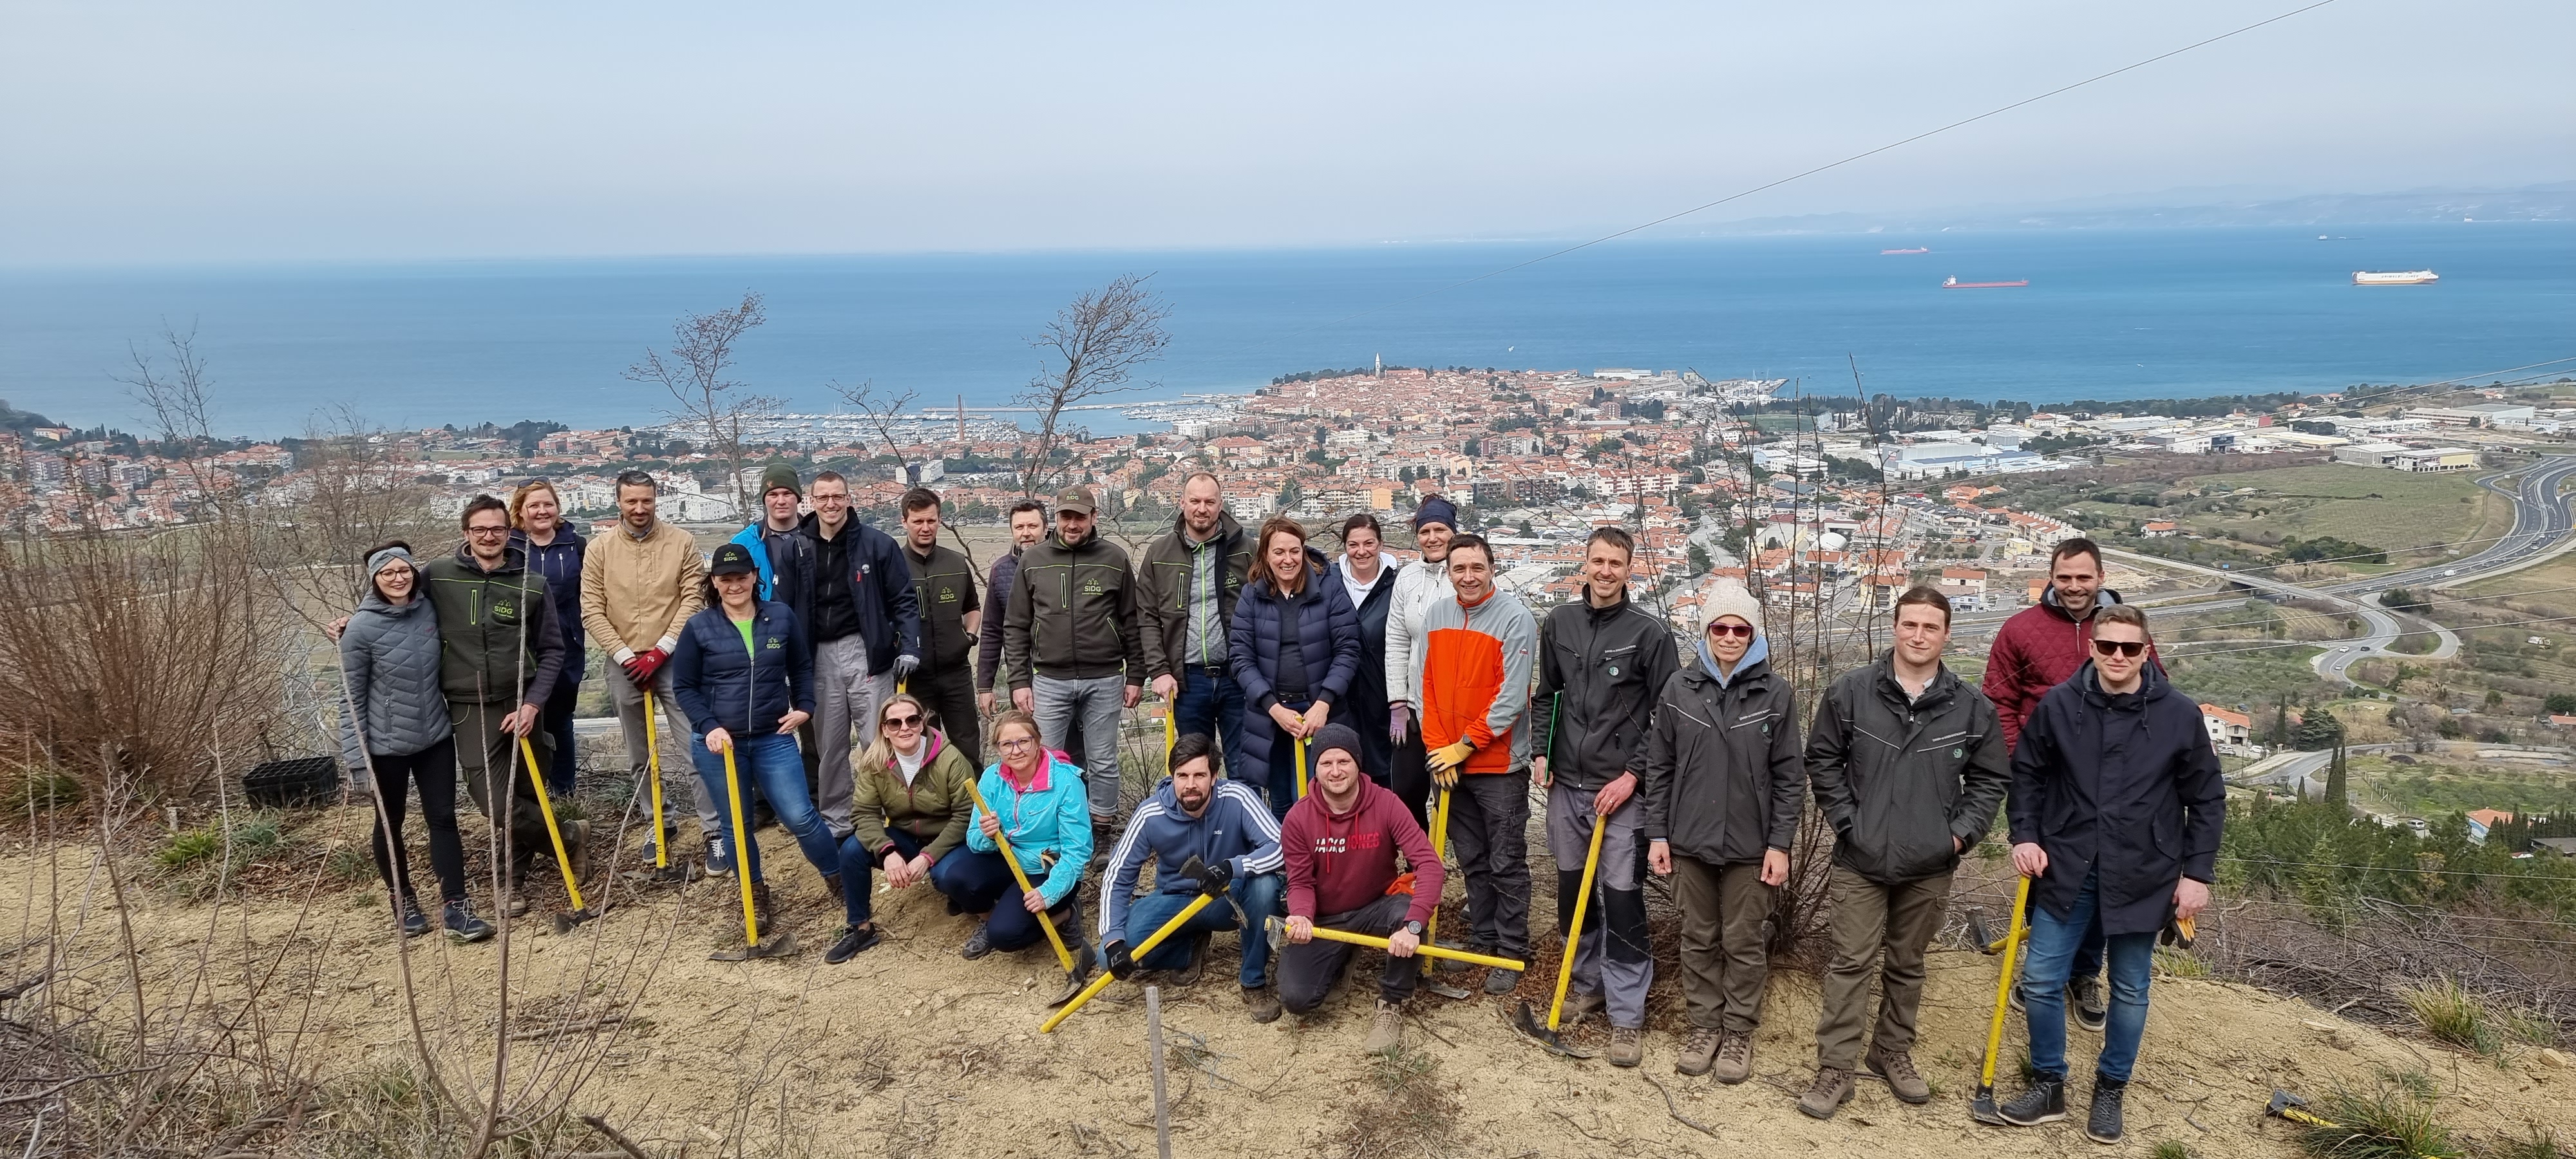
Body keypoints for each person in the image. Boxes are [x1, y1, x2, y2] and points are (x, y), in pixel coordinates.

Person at [1996, 603, 2221, 1144]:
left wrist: (2198, 875)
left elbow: (2207, 798)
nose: (2117, 656)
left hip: (2146, 872)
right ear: (2092, 647)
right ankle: (2049, 1083)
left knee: (2130, 988)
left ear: (2147, 650)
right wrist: (2024, 834)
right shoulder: (2058, 705)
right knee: (2044, 980)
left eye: (2130, 647)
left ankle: (2111, 1087)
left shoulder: (2179, 714)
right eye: (2107, 646)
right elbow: (2027, 775)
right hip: (2067, 867)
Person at [1797, 585, 2011, 1118]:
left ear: (1946, 634)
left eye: (1930, 627)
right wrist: (1848, 822)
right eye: (1910, 625)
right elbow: (1822, 759)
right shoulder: (1851, 692)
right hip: (1860, 860)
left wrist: (1957, 836)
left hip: (1930, 863)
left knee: (1908, 964)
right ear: (1895, 627)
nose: (1919, 636)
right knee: (1850, 962)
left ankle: (1891, 1051)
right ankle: (1836, 1067)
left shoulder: (1969, 706)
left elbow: (1988, 780)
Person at [1528, 527, 1680, 1067]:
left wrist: (1631, 778)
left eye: (1617, 563)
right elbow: (1546, 695)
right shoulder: (1560, 623)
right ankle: (1585, 984)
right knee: (1573, 893)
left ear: (1629, 569)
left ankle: (1626, 1014)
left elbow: (1667, 718)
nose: (1606, 571)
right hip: (1567, 786)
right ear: (1584, 564)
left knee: (1622, 899)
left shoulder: (1650, 634)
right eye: (1598, 561)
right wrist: (1542, 754)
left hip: (1621, 793)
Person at [1638, 581, 1801, 1082]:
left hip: (1752, 847)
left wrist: (1779, 844)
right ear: (1706, 631)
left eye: (1740, 628)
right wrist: (1657, 835)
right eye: (1720, 627)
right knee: (1698, 937)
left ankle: (1738, 1032)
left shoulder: (1775, 694)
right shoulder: (1678, 689)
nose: (1730, 636)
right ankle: (1704, 1025)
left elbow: (1791, 776)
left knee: (1744, 940)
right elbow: (1659, 767)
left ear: (1753, 633)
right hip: (1687, 841)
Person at [1984, 538, 2145, 1031]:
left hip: (2114, 785)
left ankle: (2083, 973)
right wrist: (2022, 760)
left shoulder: (2126, 631)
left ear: (2101, 577)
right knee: (2046, 875)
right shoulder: (2020, 630)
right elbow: (1999, 701)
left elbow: (2151, 694)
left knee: (2103, 877)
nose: (2074, 587)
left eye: (2084, 577)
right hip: (2049, 779)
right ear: (2051, 578)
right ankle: (2041, 972)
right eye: (2065, 577)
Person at [667, 542, 857, 933]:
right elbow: (683, 687)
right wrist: (709, 725)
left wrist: (805, 707)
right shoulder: (699, 627)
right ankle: (754, 894)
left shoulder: (780, 617)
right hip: (720, 744)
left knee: (801, 816)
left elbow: (802, 667)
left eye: (741, 577)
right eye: (726, 579)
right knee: (737, 824)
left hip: (773, 737)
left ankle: (841, 879)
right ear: (715, 583)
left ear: (754, 577)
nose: (734, 585)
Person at [738, 467, 923, 832]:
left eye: (838, 496)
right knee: (830, 745)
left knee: (878, 738)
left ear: (849, 499)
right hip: (817, 656)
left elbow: (903, 599)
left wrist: (910, 646)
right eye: (822, 497)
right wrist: (781, 659)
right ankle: (838, 820)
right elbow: (781, 608)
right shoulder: (796, 548)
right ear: (812, 502)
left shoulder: (876, 543)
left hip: (867, 652)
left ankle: (894, 816)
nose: (830, 504)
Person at [423, 495, 573, 917]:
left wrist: (533, 704)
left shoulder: (531, 584)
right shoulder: (438, 576)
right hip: (469, 705)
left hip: (522, 702)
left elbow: (552, 651)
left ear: (510, 532)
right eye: (480, 530)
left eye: (497, 529)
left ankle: (512, 882)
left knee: (526, 792)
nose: (489, 537)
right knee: (494, 800)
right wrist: (354, 619)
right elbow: (391, 594)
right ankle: (569, 838)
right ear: (465, 533)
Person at [337, 542, 493, 943]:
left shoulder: (428, 608)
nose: (397, 578)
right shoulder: (359, 629)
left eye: (403, 571)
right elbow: (350, 698)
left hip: (435, 737)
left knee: (443, 818)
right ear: (374, 579)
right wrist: (358, 763)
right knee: (390, 824)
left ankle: (456, 906)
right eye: (387, 573)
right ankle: (403, 900)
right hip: (384, 748)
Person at [1408, 532, 1538, 994]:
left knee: (1506, 861)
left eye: (1476, 568)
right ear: (1449, 572)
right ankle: (1483, 939)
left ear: (1492, 569)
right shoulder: (1437, 616)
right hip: (1448, 765)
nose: (1468, 577)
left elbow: (1511, 698)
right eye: (1459, 569)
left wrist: (1464, 746)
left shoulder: (1515, 619)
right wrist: (1438, 751)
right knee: (1472, 860)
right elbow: (1426, 687)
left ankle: (1511, 950)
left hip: (1498, 766)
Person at [1276, 722, 1444, 1054]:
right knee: (1298, 999)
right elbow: (1299, 881)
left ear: (1358, 764)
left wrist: (1414, 925)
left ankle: (1392, 1002)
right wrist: (1302, 916)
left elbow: (1429, 865)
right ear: (1316, 768)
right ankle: (1342, 954)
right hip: (1326, 918)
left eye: (1344, 762)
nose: (1336, 771)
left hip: (1376, 904)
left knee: (1406, 913)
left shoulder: (1387, 804)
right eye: (1326, 763)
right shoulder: (1298, 819)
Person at [1097, 731, 1286, 1022]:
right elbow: (1118, 876)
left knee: (1265, 887)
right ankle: (1187, 947)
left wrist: (1234, 867)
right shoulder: (1151, 813)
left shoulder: (1237, 798)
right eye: (1182, 776)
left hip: (1226, 899)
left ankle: (1254, 981)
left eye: (1199, 775)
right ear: (1172, 776)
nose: (1190, 785)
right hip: (1174, 901)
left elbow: (1281, 847)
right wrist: (1112, 940)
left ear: (1214, 776)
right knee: (1107, 958)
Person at [580, 470, 710, 876]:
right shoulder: (599, 549)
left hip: (675, 658)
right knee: (641, 754)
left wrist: (662, 650)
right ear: (618, 501)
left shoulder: (682, 543)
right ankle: (659, 822)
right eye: (631, 501)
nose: (639, 509)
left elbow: (693, 598)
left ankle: (715, 830)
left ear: (657, 500)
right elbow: (591, 608)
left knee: (696, 746)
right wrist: (623, 655)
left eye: (646, 501)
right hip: (623, 663)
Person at [1001, 485, 1144, 851]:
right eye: (1066, 516)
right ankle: (1049, 833)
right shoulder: (1034, 560)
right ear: (1057, 518)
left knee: (1102, 760)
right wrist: (1019, 680)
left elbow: (1132, 619)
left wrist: (1136, 675)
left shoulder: (1114, 559)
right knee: (1042, 760)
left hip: (1106, 677)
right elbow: (1016, 624)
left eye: (1080, 517)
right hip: (1049, 679)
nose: (1072, 524)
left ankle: (1100, 834)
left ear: (1093, 518)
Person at [951, 710, 1098, 992]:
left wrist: (1049, 893)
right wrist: (988, 835)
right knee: (954, 877)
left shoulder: (1066, 782)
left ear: (1038, 741)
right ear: (997, 749)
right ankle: (993, 914)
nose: (1016, 750)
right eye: (1007, 744)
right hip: (1006, 857)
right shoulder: (992, 779)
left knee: (1005, 936)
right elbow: (972, 840)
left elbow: (1077, 853)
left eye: (1024, 741)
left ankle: (1065, 914)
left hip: (1050, 870)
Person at [1229, 516, 1361, 818]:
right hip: (1271, 715)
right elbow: (1240, 657)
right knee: (1281, 801)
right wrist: (1272, 707)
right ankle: (1284, 864)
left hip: (1320, 712)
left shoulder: (1328, 588)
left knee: (1319, 797)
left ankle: (1323, 864)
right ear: (1265, 555)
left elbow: (1348, 649)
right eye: (1279, 552)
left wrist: (1323, 704)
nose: (1288, 560)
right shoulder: (1252, 594)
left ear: (1304, 551)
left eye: (1294, 551)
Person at [840, 693, 980, 963]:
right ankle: (861, 927)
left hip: (949, 837)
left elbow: (966, 815)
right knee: (851, 850)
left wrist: (928, 857)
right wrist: (887, 851)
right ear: (884, 729)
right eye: (895, 723)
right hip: (904, 836)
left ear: (922, 723)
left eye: (912, 720)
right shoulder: (874, 762)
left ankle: (964, 898)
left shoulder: (950, 758)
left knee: (945, 876)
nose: (904, 728)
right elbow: (864, 813)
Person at [1137, 471, 1255, 782]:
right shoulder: (1159, 554)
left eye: (1209, 502)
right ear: (1182, 503)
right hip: (1186, 681)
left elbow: (1265, 607)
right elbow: (1147, 617)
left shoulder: (1245, 548)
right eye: (1195, 501)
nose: (1202, 508)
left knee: (1245, 768)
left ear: (1221, 505)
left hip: (1237, 678)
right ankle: (1201, 830)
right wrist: (1159, 671)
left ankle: (1244, 830)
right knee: (1195, 770)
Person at [1381, 495, 1458, 826]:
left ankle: (1450, 861)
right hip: (1413, 708)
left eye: (1440, 529)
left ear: (1453, 532)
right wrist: (1397, 701)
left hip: (1454, 708)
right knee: (1406, 793)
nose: (1433, 538)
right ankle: (1419, 865)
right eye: (1425, 531)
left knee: (1451, 796)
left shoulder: (1467, 575)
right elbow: (1397, 641)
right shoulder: (1407, 578)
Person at [509, 480, 587, 796]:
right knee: (520, 718)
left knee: (560, 721)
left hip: (565, 647)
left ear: (557, 508)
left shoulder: (577, 546)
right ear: (520, 512)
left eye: (548, 504)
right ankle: (525, 793)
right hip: (515, 648)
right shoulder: (507, 547)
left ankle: (563, 791)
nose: (542, 511)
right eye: (534, 506)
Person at [897, 487, 984, 767]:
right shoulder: (893, 566)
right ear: (904, 522)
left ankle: (974, 808)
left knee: (967, 746)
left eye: (931, 521)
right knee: (919, 751)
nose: (925, 528)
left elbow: (972, 606)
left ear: (939, 520)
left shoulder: (956, 563)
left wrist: (969, 637)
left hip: (955, 673)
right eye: (918, 521)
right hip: (913, 678)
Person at [1331, 514, 1397, 786]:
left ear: (1381, 544)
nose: (1362, 551)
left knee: (1384, 778)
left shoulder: (1397, 585)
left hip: (1383, 697)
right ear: (1344, 547)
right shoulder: (1328, 583)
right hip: (1337, 698)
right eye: (1353, 544)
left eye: (1369, 543)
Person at [976, 498, 1048, 717]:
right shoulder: (1001, 570)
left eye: (1032, 526)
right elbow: (992, 630)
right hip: (1020, 675)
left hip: (1059, 673)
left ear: (1046, 528)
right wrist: (985, 687)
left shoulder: (1062, 564)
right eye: (1019, 527)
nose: (1026, 533)